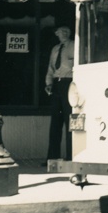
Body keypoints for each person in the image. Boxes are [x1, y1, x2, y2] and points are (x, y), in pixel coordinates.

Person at [45, 25, 74, 161]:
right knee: (55, 122)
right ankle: (52, 158)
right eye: (61, 31)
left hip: (69, 83)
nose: (63, 33)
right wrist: (49, 83)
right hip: (57, 84)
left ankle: (71, 156)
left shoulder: (75, 45)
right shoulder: (55, 49)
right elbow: (51, 68)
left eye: (66, 31)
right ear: (56, 33)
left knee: (70, 120)